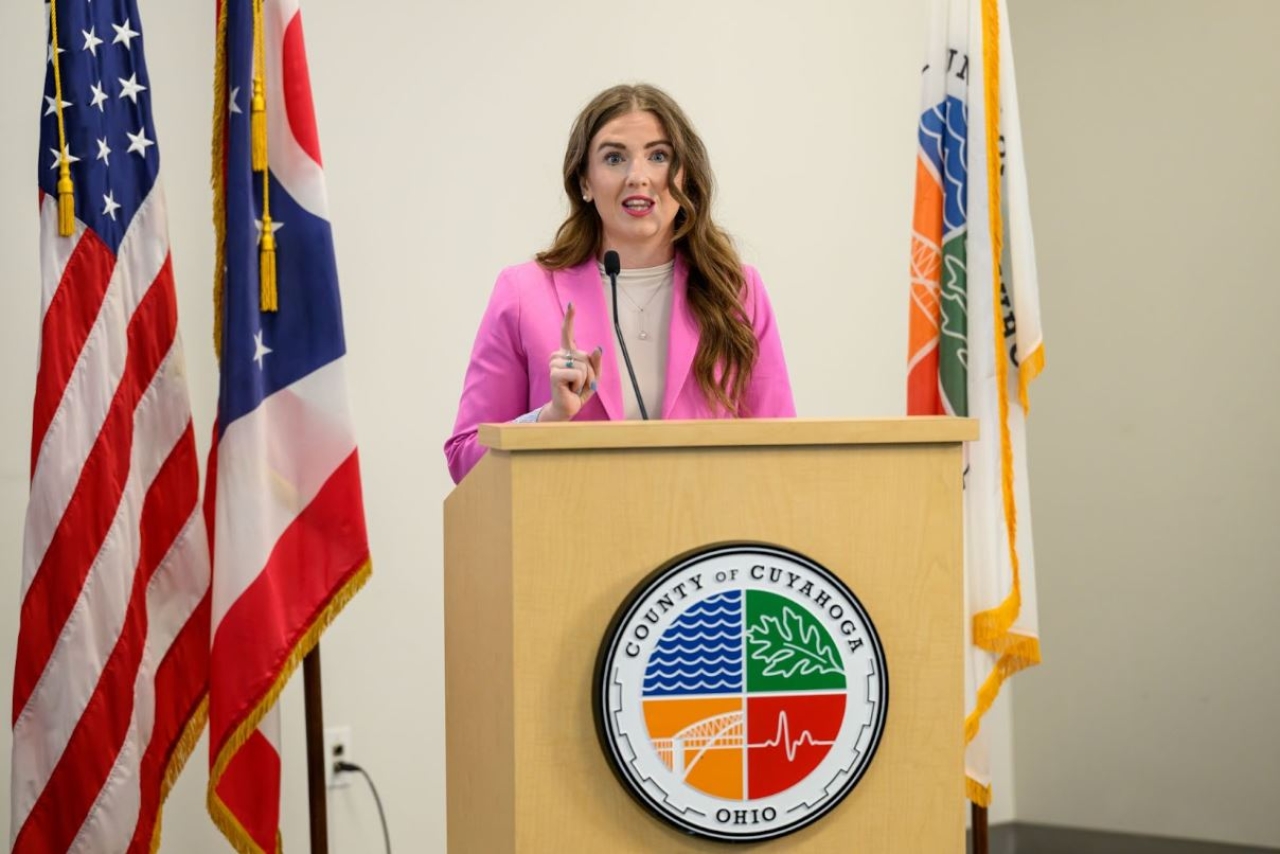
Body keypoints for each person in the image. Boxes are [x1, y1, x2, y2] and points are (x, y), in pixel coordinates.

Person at [444, 83, 795, 484]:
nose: (638, 177)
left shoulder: (736, 291)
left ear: (686, 176)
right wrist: (549, 417)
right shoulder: (523, 293)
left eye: (658, 156)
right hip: (568, 536)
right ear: (585, 182)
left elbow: (781, 449)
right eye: (614, 158)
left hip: (706, 538)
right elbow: (464, 460)